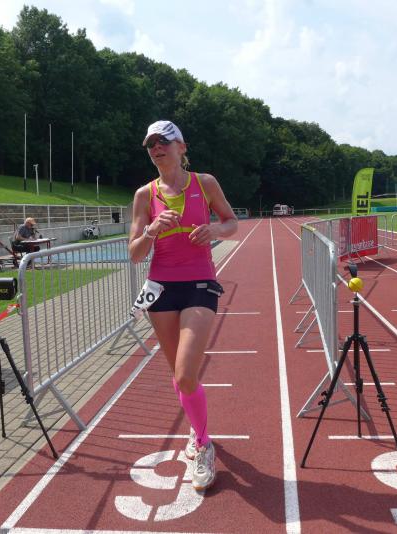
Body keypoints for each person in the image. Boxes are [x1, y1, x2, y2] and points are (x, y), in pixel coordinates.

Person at [128, 120, 238, 491]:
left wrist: (215, 230)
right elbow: (134, 253)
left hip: (199, 284)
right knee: (179, 376)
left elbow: (231, 222)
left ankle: (203, 445)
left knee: (187, 373)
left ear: (181, 146)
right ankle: (197, 428)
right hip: (161, 289)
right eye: (151, 144)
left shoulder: (204, 183)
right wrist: (151, 230)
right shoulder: (144, 195)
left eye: (164, 141)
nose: (156, 148)